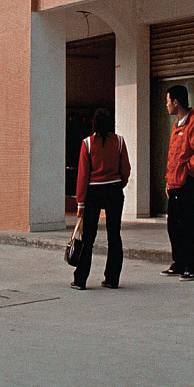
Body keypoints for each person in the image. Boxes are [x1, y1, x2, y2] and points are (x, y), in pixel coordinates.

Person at [71, 108, 131, 290]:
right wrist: (120, 184)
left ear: (94, 124)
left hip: (93, 192)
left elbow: (82, 175)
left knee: (88, 237)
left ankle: (80, 280)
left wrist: (80, 202)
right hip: (114, 190)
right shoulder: (119, 141)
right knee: (114, 235)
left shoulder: (87, 144)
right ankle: (112, 279)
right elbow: (126, 169)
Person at [163, 84, 194, 281]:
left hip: (188, 182)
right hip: (174, 183)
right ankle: (179, 262)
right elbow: (173, 158)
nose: (166, 105)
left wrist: (190, 170)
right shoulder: (176, 127)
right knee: (173, 225)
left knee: (189, 224)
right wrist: (168, 181)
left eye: (168, 101)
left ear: (176, 102)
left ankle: (193, 266)